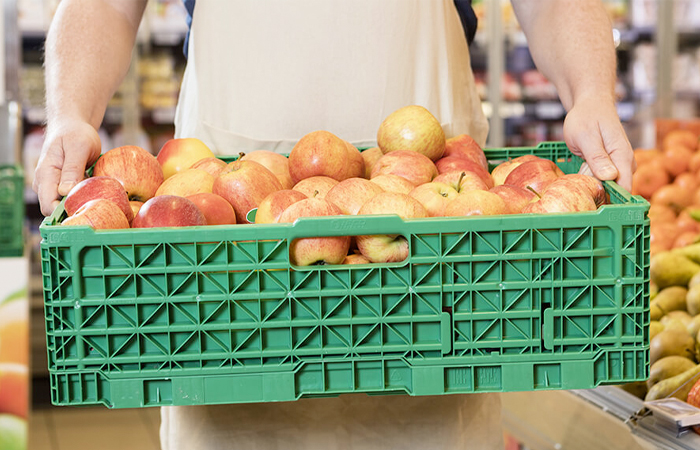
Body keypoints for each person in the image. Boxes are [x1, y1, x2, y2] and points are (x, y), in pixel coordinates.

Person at [34, 1, 634, 448]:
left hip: (430, 234)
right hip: (227, 246)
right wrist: (70, 112)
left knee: (430, 410)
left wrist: (591, 92)